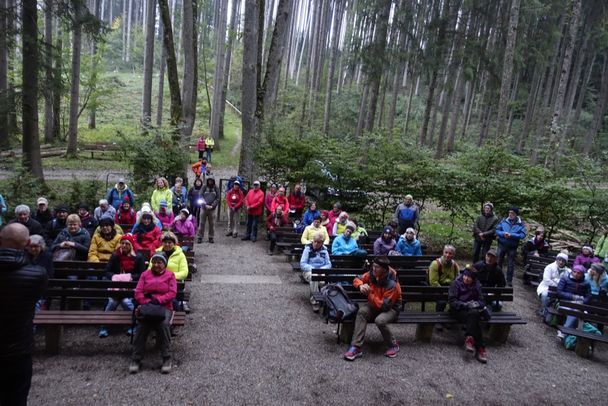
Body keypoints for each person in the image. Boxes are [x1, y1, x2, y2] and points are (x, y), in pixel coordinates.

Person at [0, 223, 48, 405]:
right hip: (19, 350)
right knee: (16, 398)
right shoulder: (37, 274)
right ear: (28, 243)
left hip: (18, 348)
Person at [344, 256, 402, 361]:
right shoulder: (372, 274)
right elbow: (357, 279)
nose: (373, 269)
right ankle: (356, 347)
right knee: (361, 312)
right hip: (375, 304)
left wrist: (370, 293)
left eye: (377, 267)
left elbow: (384, 306)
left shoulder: (392, 283)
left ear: (384, 269)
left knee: (380, 320)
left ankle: (393, 345)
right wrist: (360, 286)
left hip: (391, 308)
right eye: (373, 266)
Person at [130, 253, 177, 374]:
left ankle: (166, 358)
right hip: (147, 306)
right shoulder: (145, 274)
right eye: (154, 262)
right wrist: (146, 302)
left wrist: (158, 300)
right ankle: (136, 358)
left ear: (164, 264)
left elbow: (172, 293)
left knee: (163, 325)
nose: (156, 265)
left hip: (164, 306)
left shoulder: (170, 275)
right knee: (142, 326)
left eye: (159, 262)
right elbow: (138, 292)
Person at [99, 233, 145, 339]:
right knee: (111, 301)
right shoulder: (115, 256)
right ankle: (104, 326)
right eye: (122, 243)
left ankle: (134, 324)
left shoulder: (138, 257)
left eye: (127, 244)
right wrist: (116, 277)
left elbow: (142, 274)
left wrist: (130, 277)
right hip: (116, 286)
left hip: (131, 286)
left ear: (131, 245)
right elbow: (107, 271)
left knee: (126, 302)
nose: (124, 246)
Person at [448, 266, 488, 363]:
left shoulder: (477, 286)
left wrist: (475, 304)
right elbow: (452, 301)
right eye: (465, 275)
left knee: (473, 314)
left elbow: (482, 301)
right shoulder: (456, 283)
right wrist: (465, 305)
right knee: (475, 319)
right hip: (458, 311)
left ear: (473, 279)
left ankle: (470, 339)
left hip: (471, 312)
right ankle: (480, 349)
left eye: (469, 277)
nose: (466, 278)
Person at [556, 265, 591, 340]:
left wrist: (582, 301)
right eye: (574, 272)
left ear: (582, 274)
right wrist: (573, 297)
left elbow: (588, 297)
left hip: (578, 305)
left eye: (579, 273)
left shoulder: (586, 283)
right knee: (573, 312)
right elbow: (559, 292)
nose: (576, 274)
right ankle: (565, 333)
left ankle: (563, 333)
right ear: (572, 271)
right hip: (564, 303)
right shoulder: (565, 278)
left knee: (576, 311)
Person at [300, 233, 332, 311]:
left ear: (322, 243)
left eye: (318, 242)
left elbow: (328, 264)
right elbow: (303, 264)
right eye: (315, 241)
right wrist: (314, 269)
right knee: (314, 277)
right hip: (309, 271)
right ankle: (315, 302)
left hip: (321, 271)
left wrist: (321, 269)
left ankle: (322, 299)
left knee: (321, 282)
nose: (316, 244)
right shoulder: (307, 249)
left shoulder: (324, 250)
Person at [495, 207, 527, 286]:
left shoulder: (521, 224)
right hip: (502, 245)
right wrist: (503, 234)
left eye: (512, 213)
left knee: (510, 264)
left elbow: (522, 235)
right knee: (498, 262)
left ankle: (509, 281)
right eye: (509, 213)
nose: (510, 214)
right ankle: (497, 278)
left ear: (516, 214)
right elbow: (497, 230)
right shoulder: (504, 221)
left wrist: (512, 235)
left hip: (512, 247)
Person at [537, 253, 571, 320]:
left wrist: (555, 280)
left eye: (563, 261)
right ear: (556, 259)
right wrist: (559, 284)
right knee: (545, 294)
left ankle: (556, 316)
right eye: (559, 260)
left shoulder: (568, 271)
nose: (561, 262)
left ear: (565, 262)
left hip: (561, 290)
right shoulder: (550, 267)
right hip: (547, 287)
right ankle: (544, 310)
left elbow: (568, 282)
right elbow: (546, 280)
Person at [428, 245, 460, 316]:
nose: (447, 255)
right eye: (446, 252)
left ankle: (452, 318)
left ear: (453, 255)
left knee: (457, 301)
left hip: (450, 288)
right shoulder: (435, 264)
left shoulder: (455, 265)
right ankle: (438, 319)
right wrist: (443, 292)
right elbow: (433, 282)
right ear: (443, 252)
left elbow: (458, 280)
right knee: (442, 302)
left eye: (450, 253)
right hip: (437, 288)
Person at [28, 235, 54, 312]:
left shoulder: (47, 256)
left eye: (36, 246)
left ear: (41, 246)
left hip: (41, 288)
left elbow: (49, 275)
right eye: (31, 246)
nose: (33, 249)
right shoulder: (25, 255)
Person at [197, 176, 220, 244]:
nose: (210, 181)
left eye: (211, 180)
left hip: (212, 209)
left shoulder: (216, 188)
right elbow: (200, 196)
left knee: (212, 224)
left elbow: (218, 198)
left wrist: (212, 205)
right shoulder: (204, 187)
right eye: (209, 180)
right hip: (204, 208)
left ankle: (211, 237)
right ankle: (200, 237)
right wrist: (204, 204)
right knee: (201, 223)